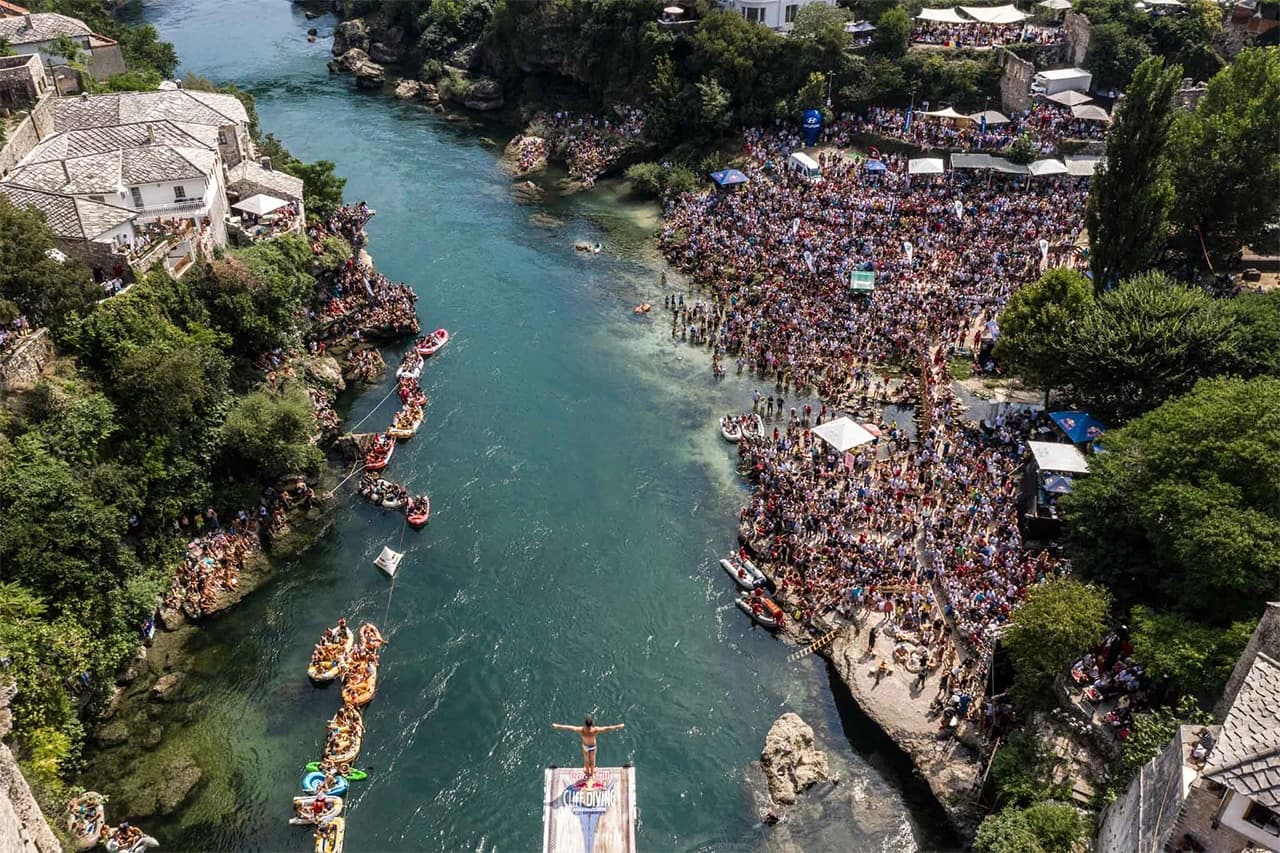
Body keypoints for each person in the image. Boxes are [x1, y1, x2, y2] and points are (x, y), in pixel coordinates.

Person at [552, 716, 624, 779]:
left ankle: (587, 770)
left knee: (586, 760)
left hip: (585, 746)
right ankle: (592, 771)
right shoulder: (595, 730)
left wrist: (557, 726)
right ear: (592, 724)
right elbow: (607, 728)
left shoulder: (581, 730)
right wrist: (619, 726)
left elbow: (569, 727)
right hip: (593, 746)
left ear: (585, 724)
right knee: (593, 759)